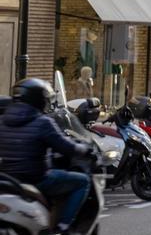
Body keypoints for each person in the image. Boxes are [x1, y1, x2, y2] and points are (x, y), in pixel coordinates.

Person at [0, 79, 94, 234]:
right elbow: (65, 146)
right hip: (36, 178)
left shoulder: (2, 120)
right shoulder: (43, 122)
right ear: (38, 99)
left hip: (7, 178)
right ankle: (62, 227)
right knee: (82, 181)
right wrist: (83, 149)